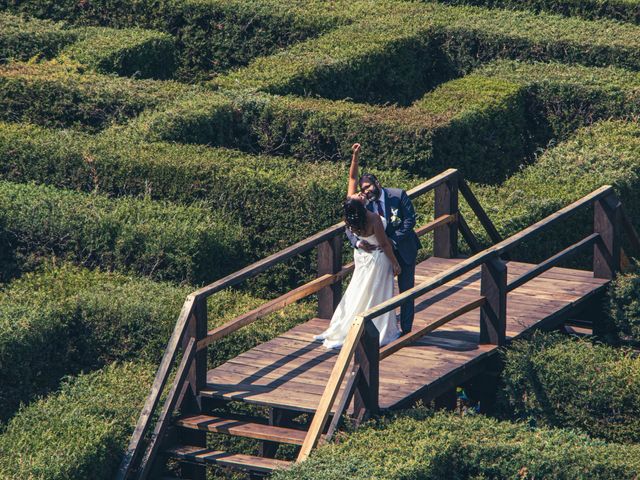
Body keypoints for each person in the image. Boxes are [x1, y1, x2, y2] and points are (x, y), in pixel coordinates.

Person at [314, 143, 402, 349]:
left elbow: (352, 178)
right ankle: (376, 328)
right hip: (378, 258)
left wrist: (355, 156)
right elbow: (385, 245)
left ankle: (347, 325)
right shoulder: (373, 219)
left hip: (362, 257)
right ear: (360, 205)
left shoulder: (353, 214)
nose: (360, 193)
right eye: (359, 195)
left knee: (358, 291)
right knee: (375, 293)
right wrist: (395, 264)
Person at [346, 152, 420, 335]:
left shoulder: (398, 195)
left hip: (403, 248)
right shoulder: (363, 206)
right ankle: (377, 328)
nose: (366, 191)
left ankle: (407, 329)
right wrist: (356, 242)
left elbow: (410, 220)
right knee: (379, 292)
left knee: (406, 290)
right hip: (378, 256)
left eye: (368, 187)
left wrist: (394, 240)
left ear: (377, 183)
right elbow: (349, 225)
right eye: (363, 190)